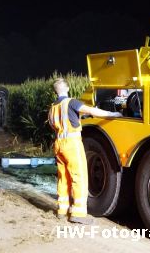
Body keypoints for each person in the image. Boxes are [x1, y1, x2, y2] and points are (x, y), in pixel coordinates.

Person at [49, 78, 122, 224]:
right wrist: (113, 114)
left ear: (55, 91)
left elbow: (54, 124)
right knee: (79, 176)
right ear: (67, 88)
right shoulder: (71, 102)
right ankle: (78, 213)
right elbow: (91, 110)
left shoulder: (52, 108)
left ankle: (62, 210)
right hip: (72, 144)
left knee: (63, 177)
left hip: (58, 144)